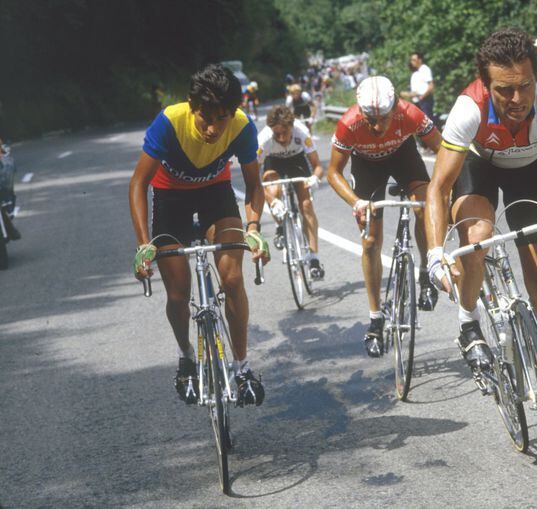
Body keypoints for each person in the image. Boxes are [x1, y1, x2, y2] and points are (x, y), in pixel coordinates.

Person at [425, 28, 537, 372]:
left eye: (525, 85)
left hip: (529, 170)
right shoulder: (469, 108)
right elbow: (439, 187)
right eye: (504, 89)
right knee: (476, 240)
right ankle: (468, 322)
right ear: (487, 86)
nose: (517, 99)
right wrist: (434, 252)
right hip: (480, 165)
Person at [129, 64, 270, 407]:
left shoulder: (241, 127)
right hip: (170, 200)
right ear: (193, 108)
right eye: (205, 118)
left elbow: (254, 184)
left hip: (215, 195)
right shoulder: (170, 121)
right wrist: (143, 245)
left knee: (233, 278)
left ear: (233, 112)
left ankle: (243, 368)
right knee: (178, 292)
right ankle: (186, 356)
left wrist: (253, 228)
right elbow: (138, 184)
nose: (212, 128)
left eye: (220, 119)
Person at [326, 76, 443, 357]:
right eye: (370, 119)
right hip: (367, 168)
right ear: (360, 112)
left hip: (404, 158)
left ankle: (426, 275)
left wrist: (441, 189)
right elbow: (333, 172)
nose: (377, 126)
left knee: (424, 208)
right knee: (370, 241)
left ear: (396, 109)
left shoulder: (410, 114)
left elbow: (443, 149)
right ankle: (375, 319)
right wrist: (356, 203)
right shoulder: (348, 123)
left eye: (383, 118)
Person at [258, 105, 325, 279]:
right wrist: (272, 201)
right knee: (272, 188)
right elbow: (254, 182)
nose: (281, 138)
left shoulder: (301, 132)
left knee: (306, 205)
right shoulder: (264, 139)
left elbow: (318, 166)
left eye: (284, 133)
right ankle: (280, 226)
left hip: (297, 161)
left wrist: (315, 178)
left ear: (292, 126)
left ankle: (314, 258)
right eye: (276, 134)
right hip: (274, 163)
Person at [400, 52, 435, 122]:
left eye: (414, 60)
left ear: (420, 60)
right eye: (411, 60)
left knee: (427, 123)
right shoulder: (415, 73)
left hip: (425, 101)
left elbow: (431, 86)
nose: (412, 62)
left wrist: (422, 97)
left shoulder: (424, 69)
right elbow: (416, 91)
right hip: (417, 102)